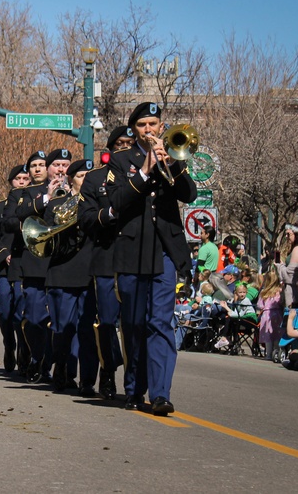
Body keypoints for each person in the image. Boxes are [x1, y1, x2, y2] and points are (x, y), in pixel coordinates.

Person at [106, 102, 197, 415]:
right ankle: (134, 387)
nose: (149, 130)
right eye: (142, 125)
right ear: (134, 130)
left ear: (161, 127)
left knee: (160, 322)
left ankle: (160, 394)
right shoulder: (120, 161)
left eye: (153, 125)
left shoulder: (173, 156)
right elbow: (117, 201)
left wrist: (172, 163)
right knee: (133, 324)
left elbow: (189, 195)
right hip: (132, 250)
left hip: (164, 252)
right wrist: (145, 170)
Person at [77, 125, 133, 399]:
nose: (124, 146)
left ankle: (135, 381)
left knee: (135, 323)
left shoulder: (145, 175)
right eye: (119, 142)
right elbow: (86, 218)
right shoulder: (95, 178)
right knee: (108, 322)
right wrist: (108, 213)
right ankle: (108, 372)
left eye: (129, 142)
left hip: (136, 257)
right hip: (106, 258)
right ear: (110, 148)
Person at [8, 148, 71, 383]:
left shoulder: (74, 190)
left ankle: (63, 368)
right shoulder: (26, 193)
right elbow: (12, 220)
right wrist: (46, 196)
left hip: (64, 262)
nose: (60, 170)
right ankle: (37, 357)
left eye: (42, 165)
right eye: (56, 165)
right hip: (35, 263)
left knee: (64, 321)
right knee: (34, 318)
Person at [45, 159, 98, 395]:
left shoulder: (97, 203)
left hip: (89, 271)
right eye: (81, 175)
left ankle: (88, 380)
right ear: (70, 178)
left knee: (87, 330)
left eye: (89, 175)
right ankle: (62, 370)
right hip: (63, 271)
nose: (85, 179)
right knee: (63, 329)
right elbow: (45, 235)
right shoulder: (58, 204)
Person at [0, 164, 30, 375]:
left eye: (25, 178)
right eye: (18, 178)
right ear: (11, 181)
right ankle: (9, 345)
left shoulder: (34, 204)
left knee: (21, 312)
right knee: (5, 310)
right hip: (5, 267)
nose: (22, 182)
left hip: (24, 265)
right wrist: (4, 254)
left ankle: (24, 348)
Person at [257, 268, 284, 360]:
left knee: (268, 334)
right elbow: (281, 302)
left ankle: (268, 354)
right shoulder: (279, 291)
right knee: (277, 333)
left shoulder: (264, 292)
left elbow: (260, 305)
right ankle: (276, 352)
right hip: (277, 313)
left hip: (266, 314)